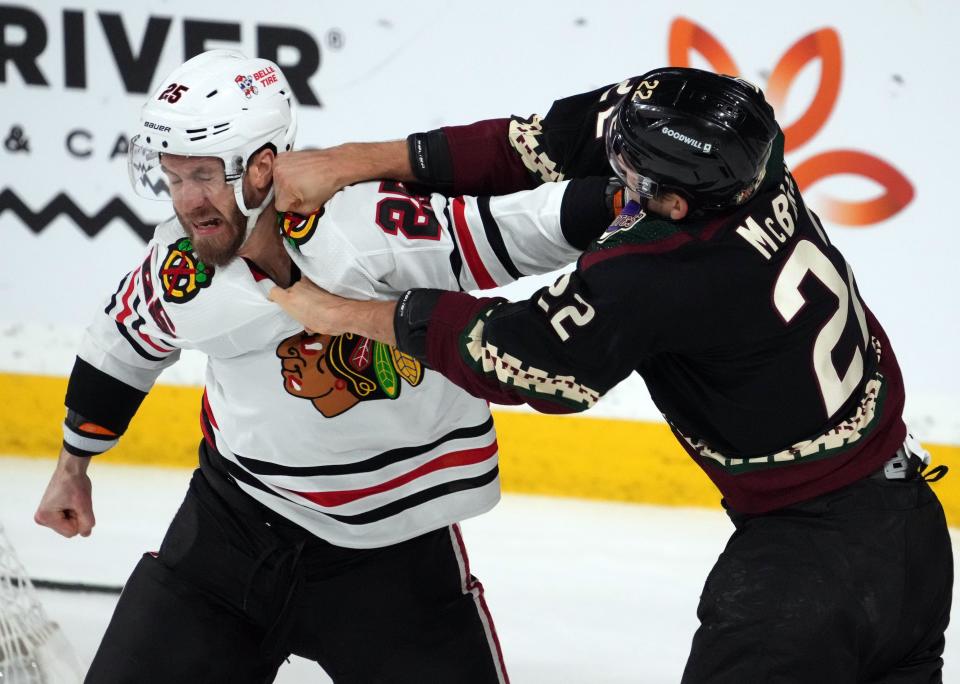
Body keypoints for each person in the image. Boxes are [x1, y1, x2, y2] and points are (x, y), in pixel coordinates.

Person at [268, 67, 954, 683]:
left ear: (678, 205)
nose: (611, 162)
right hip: (914, 532)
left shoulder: (658, 272)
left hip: (805, 583)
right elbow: (535, 143)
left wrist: (343, 312)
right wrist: (345, 162)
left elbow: (529, 362)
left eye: (629, 169)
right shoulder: (740, 153)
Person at [33, 49, 623, 683]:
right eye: (174, 178)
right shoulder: (180, 269)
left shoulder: (370, 226)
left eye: (203, 175)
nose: (186, 202)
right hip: (229, 540)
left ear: (262, 167)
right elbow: (122, 340)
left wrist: (630, 199)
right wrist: (73, 467)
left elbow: (513, 228)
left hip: (395, 560)